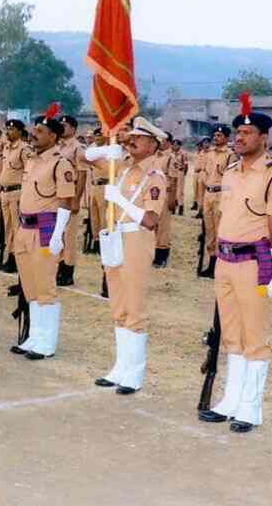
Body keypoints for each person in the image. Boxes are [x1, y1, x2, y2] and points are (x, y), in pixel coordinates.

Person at [198, 107, 272, 433]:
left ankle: (251, 407)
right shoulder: (230, 172)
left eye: (247, 133)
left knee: (255, 336)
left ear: (263, 138)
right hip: (225, 261)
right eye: (237, 132)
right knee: (232, 334)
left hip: (253, 263)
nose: (239, 137)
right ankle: (231, 400)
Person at [86, 117, 167, 395]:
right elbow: (84, 157)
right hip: (116, 237)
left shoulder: (154, 176)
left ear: (153, 145)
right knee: (118, 305)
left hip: (136, 239)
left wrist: (119, 199)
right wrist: (108, 149)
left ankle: (134, 373)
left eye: (138, 138)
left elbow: (151, 220)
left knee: (134, 306)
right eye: (130, 136)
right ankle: (120, 367)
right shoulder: (122, 165)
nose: (131, 140)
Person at [9, 112, 75, 360]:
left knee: (45, 286)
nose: (33, 134)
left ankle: (48, 342)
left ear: (54, 136)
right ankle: (35, 336)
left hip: (47, 227)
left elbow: (66, 201)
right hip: (25, 227)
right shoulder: (32, 161)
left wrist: (58, 234)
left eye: (40, 131)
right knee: (30, 286)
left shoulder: (60, 163)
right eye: (34, 130)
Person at [0, 119, 33, 273]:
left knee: (17, 228)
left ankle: (18, 259)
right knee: (8, 227)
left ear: (19, 131)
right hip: (5, 192)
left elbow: (30, 172)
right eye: (7, 129)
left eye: (12, 129)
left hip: (17, 193)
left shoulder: (24, 149)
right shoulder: (6, 148)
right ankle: (11, 255)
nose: (8, 132)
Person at [198, 125, 233, 278]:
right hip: (208, 194)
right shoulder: (210, 154)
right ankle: (211, 265)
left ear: (226, 138)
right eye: (215, 135)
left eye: (219, 135)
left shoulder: (230, 155)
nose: (216, 137)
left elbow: (232, 178)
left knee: (221, 231)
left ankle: (221, 265)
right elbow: (204, 174)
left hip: (221, 194)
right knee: (210, 231)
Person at [57, 115, 87, 286]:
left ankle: (67, 272)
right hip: (57, 194)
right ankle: (57, 266)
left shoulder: (78, 148)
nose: (62, 127)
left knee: (68, 236)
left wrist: (76, 200)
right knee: (57, 233)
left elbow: (82, 174)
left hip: (70, 194)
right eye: (60, 125)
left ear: (74, 129)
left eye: (65, 125)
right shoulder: (57, 146)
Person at [153, 133, 178, 268]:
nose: (160, 142)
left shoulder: (170, 158)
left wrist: (172, 199)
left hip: (165, 194)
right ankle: (153, 252)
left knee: (163, 226)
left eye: (162, 140)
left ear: (169, 142)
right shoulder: (155, 156)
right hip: (154, 195)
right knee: (153, 224)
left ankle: (162, 256)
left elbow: (173, 179)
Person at [87, 127, 109, 255]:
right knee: (94, 216)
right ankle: (95, 241)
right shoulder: (91, 150)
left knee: (103, 216)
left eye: (100, 136)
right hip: (94, 186)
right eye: (96, 136)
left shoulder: (109, 151)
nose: (98, 138)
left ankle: (104, 243)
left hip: (105, 185)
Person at [192, 137, 210, 215]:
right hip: (200, 173)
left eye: (207, 143)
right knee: (200, 193)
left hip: (207, 173)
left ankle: (205, 211)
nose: (206, 144)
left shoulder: (211, 153)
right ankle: (200, 211)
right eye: (204, 143)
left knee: (207, 194)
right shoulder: (201, 153)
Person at [173, 139, 188, 216]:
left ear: (179, 145)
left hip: (180, 172)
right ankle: (173, 207)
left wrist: (183, 173)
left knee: (180, 191)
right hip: (172, 172)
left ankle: (181, 207)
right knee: (173, 190)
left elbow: (186, 165)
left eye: (176, 145)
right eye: (174, 144)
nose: (175, 146)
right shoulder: (171, 153)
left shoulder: (183, 153)